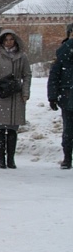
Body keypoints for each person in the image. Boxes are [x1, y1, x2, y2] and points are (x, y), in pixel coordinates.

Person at [0, 30, 31, 169]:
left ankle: (11, 158)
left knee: (12, 128)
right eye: (6, 40)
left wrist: (25, 92)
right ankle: (1, 158)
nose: (9, 42)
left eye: (11, 39)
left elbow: (27, 75)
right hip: (0, 95)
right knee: (0, 128)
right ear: (2, 41)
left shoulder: (22, 57)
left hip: (15, 95)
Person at [48, 23, 73, 169]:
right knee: (68, 130)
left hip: (67, 95)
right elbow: (54, 77)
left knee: (68, 129)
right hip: (67, 96)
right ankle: (67, 157)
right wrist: (52, 96)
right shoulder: (63, 52)